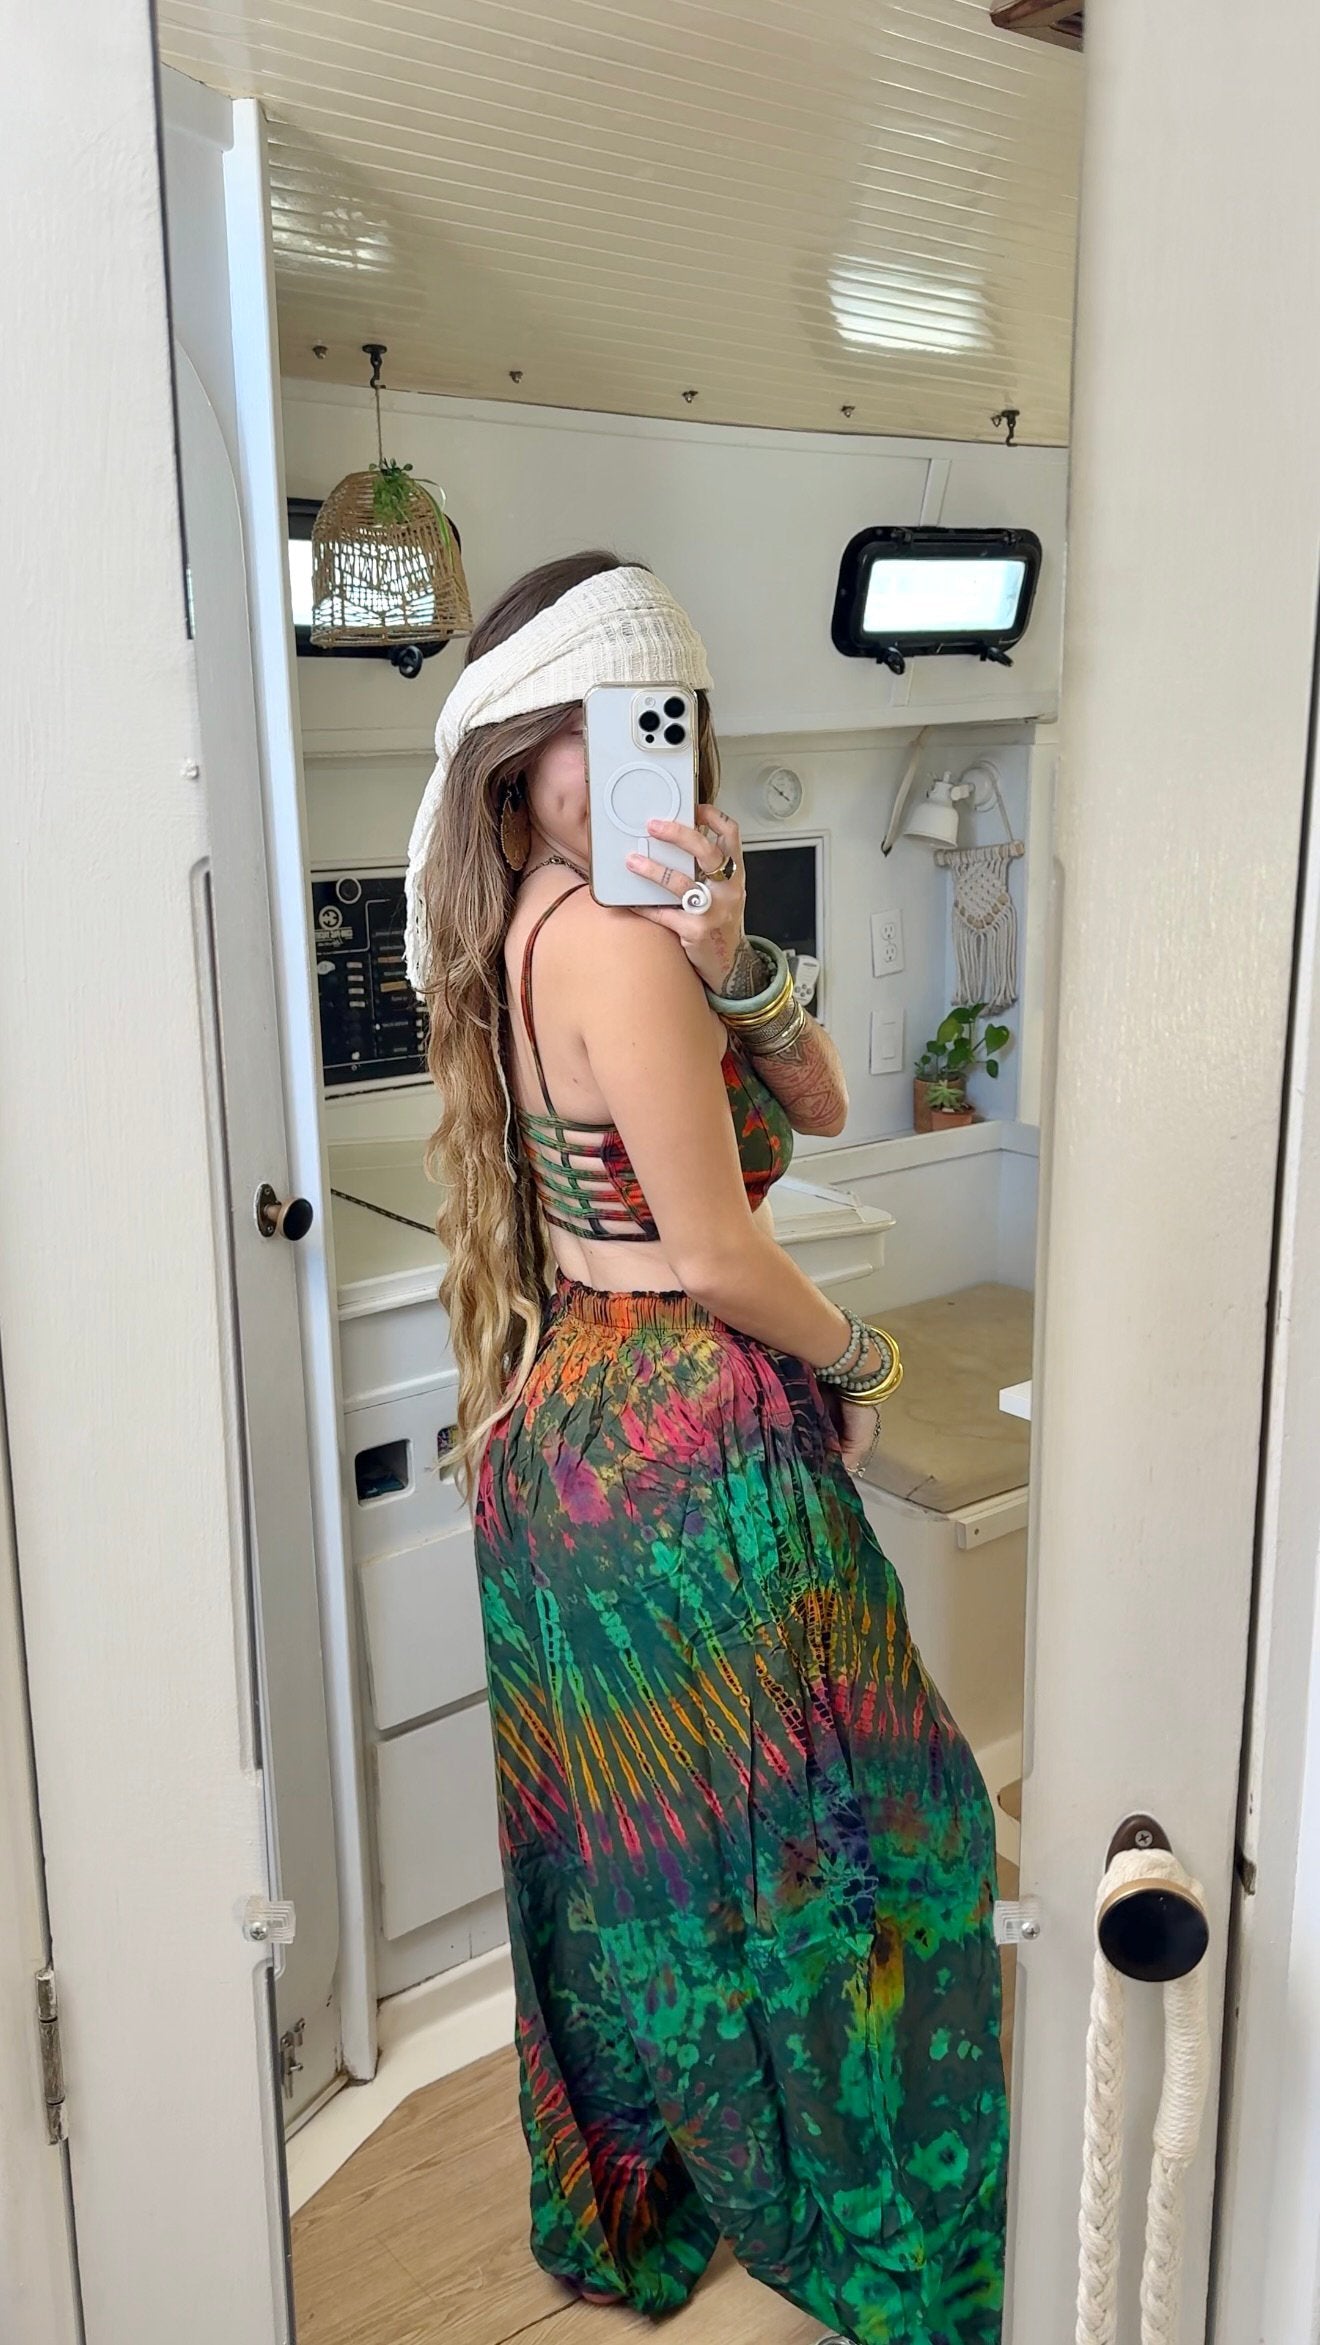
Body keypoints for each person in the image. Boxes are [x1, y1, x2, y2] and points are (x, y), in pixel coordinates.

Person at [405, 553, 1007, 2344]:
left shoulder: (537, 925)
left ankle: (648, 2190)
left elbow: (818, 1098)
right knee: (897, 1830)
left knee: (636, 1857)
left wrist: (733, 956)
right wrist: (869, 1355)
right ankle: (879, 2222)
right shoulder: (606, 943)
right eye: (583, 734)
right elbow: (728, 1251)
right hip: (685, 1444)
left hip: (569, 1437)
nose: (618, 764)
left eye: (648, 725)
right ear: (518, 756)